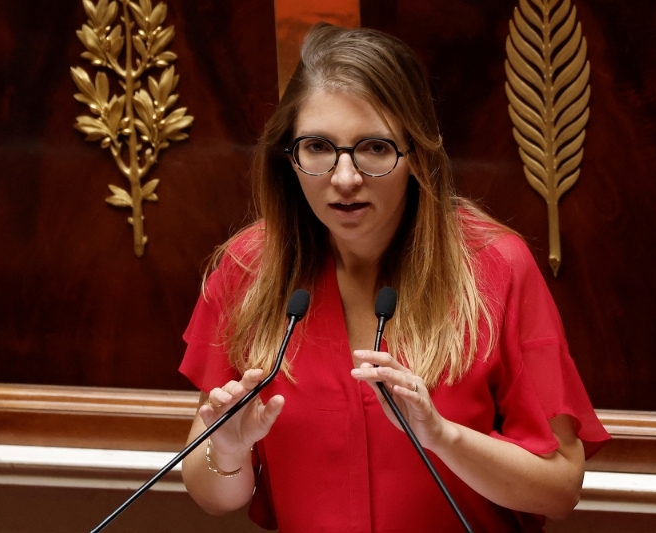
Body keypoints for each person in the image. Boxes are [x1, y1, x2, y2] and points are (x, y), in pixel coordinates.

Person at [179, 23, 609, 533]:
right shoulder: (250, 269)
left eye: (375, 148)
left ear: (418, 155)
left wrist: (442, 436)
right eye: (317, 147)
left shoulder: (496, 267)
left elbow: (560, 489)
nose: (344, 178)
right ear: (288, 157)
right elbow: (215, 497)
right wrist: (227, 450)